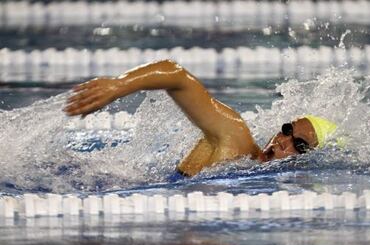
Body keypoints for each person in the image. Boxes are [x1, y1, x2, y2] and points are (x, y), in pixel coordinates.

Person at [64, 60, 337, 176]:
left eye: (298, 145)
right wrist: (119, 86)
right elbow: (176, 75)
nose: (281, 141)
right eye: (287, 130)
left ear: (310, 161)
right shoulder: (236, 139)